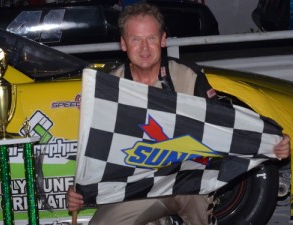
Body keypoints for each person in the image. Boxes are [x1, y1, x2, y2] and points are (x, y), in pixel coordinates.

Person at [67, 3, 291, 225]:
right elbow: (95, 149)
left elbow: (224, 126)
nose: (144, 48)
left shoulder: (187, 75)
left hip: (186, 182)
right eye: (136, 39)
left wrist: (271, 143)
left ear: (163, 39)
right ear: (123, 44)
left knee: (197, 200)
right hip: (136, 189)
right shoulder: (109, 87)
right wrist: (79, 190)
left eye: (151, 38)